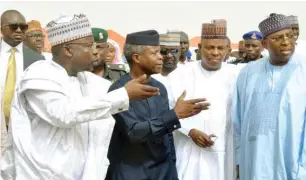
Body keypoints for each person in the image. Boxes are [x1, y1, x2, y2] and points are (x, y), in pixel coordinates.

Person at [1, 14, 160, 180]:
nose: (95, 52)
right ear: (69, 50)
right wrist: (124, 95)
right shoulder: (39, 75)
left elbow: (112, 97)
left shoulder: (85, 80)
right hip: (37, 174)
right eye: (89, 45)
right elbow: (63, 114)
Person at [105, 30, 210, 180]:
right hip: (132, 172)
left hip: (163, 171)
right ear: (137, 58)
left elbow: (167, 136)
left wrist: (172, 168)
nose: (161, 57)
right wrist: (175, 115)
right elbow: (134, 133)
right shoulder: (119, 91)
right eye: (155, 53)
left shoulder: (160, 87)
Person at [233, 13, 306, 180]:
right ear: (264, 43)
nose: (286, 42)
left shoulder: (304, 69)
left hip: (295, 163)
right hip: (254, 162)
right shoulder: (248, 73)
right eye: (278, 38)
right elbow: (238, 120)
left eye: (290, 36)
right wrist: (239, 159)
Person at [167, 19, 237, 180]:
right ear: (200, 48)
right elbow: (169, 110)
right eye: (210, 47)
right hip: (188, 150)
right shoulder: (178, 75)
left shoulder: (237, 75)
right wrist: (190, 131)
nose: (215, 52)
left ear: (228, 49)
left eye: (220, 48)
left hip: (224, 152)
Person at [0, 9, 44, 155]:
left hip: (24, 128)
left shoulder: (37, 60)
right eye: (13, 26)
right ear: (1, 28)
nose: (19, 30)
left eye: (23, 27)